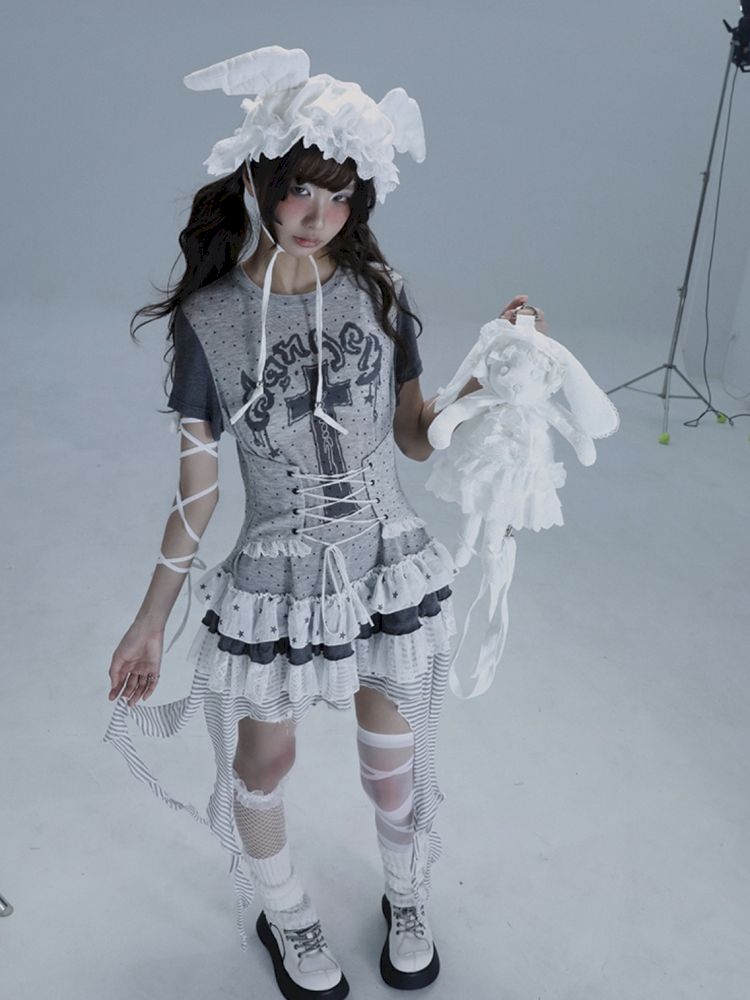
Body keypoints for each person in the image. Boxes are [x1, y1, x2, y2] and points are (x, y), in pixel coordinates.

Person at [102, 45, 541, 1000]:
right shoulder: (209, 319)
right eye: (300, 190)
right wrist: (150, 620)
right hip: (279, 574)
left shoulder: (380, 293)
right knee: (268, 759)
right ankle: (287, 913)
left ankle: (406, 894)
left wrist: (491, 369)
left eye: (339, 197)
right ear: (259, 182)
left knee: (393, 763)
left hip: (386, 561)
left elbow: (414, 437)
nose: (316, 215)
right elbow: (197, 490)